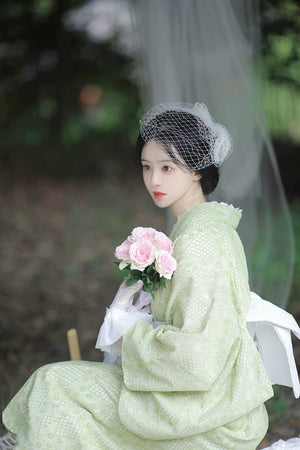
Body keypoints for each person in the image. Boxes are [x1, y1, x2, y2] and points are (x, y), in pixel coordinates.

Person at [1, 102, 296, 449]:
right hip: (201, 397)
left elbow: (198, 358)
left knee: (51, 384)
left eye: (167, 168)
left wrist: (130, 336)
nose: (154, 180)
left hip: (206, 413)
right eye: (146, 167)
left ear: (197, 170)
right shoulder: (203, 230)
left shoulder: (201, 243)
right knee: (52, 382)